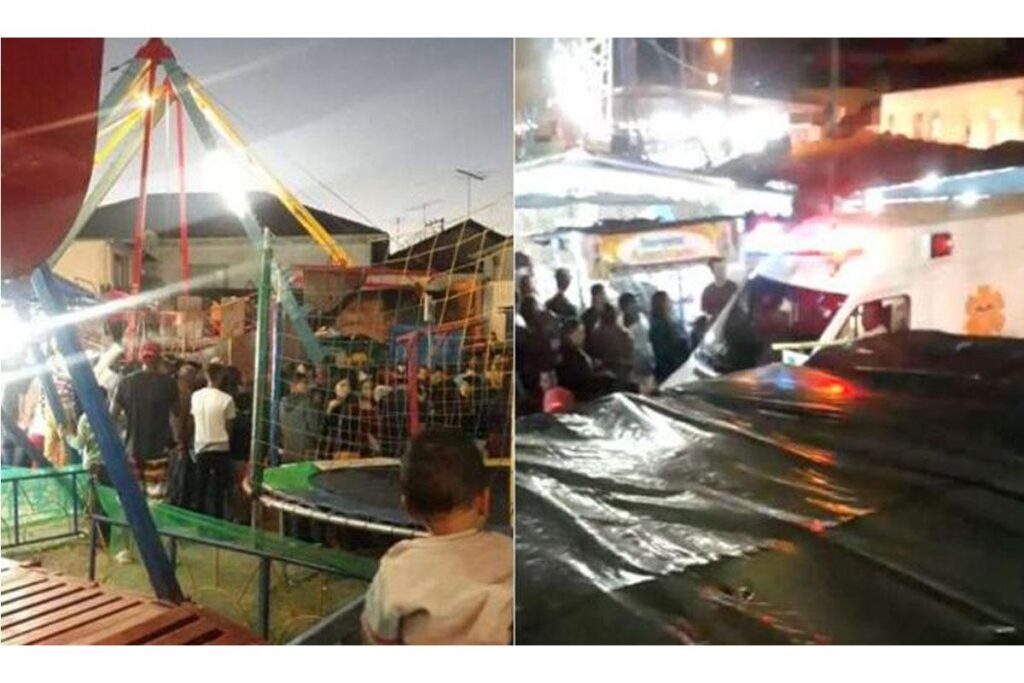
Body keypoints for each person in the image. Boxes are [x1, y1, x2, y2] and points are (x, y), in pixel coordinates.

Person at [361, 428, 512, 645]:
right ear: (484, 500)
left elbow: (376, 636)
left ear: (408, 507)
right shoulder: (510, 555)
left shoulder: (397, 568)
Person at [111, 341, 178, 496]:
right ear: (159, 358)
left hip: (132, 450)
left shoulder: (125, 382)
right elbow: (177, 413)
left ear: (141, 358)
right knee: (156, 498)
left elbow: (112, 415)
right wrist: (178, 442)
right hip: (159, 451)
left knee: (133, 496)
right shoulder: (168, 383)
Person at [190, 363, 237, 519]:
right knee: (219, 490)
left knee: (200, 488)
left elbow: (193, 421)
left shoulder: (196, 397)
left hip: (201, 447)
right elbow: (229, 427)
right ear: (221, 376)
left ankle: (200, 521)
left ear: (206, 375)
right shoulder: (227, 399)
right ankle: (218, 519)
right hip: (221, 448)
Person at [556, 318, 617, 402]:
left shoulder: (576, 349)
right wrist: (601, 376)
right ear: (570, 334)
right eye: (580, 332)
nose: (583, 336)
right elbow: (579, 378)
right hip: (580, 396)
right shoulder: (567, 353)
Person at [649, 291, 690, 383]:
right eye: (667, 300)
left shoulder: (667, 320)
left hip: (671, 367)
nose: (670, 302)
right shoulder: (660, 325)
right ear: (661, 304)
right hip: (669, 369)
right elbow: (666, 349)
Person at [589, 301, 635, 384]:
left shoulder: (596, 332)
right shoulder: (623, 332)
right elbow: (631, 351)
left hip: (605, 373)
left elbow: (595, 353)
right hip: (623, 371)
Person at [619, 293, 656, 391]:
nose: (635, 305)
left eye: (635, 302)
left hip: (648, 357)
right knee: (641, 388)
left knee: (650, 385)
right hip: (635, 361)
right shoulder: (621, 324)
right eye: (631, 304)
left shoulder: (642, 317)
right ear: (624, 307)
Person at [701, 257, 738, 323]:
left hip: (733, 324)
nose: (721, 270)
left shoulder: (733, 287)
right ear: (712, 271)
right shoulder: (707, 291)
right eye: (717, 268)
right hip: (716, 325)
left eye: (722, 267)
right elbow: (706, 312)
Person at [581, 283, 614, 355]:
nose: (603, 296)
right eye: (600, 294)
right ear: (594, 296)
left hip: (611, 350)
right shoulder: (586, 316)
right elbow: (586, 337)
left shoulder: (612, 312)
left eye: (603, 294)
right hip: (594, 351)